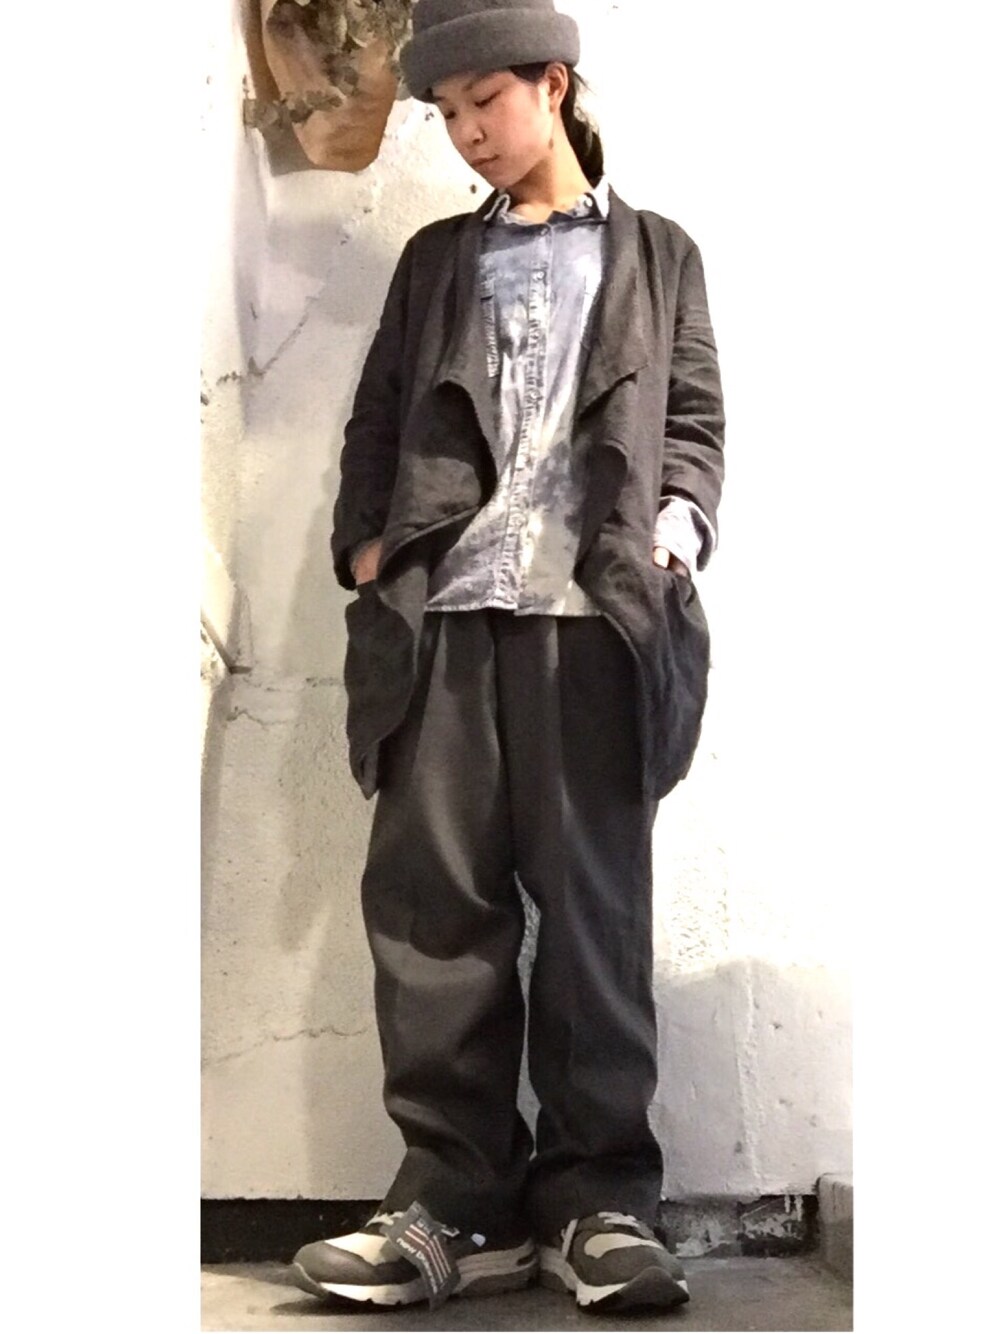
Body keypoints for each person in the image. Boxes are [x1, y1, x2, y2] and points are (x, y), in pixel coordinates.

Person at [291, 0, 725, 1315]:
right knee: (435, 913)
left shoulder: (659, 252)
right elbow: (379, 416)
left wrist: (675, 533)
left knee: (593, 916)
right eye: (448, 113)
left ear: (554, 85)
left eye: (487, 99)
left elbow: (693, 418)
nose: (469, 131)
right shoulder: (438, 259)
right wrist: (369, 551)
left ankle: (598, 1206)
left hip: (594, 624)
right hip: (444, 620)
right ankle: (454, 1206)